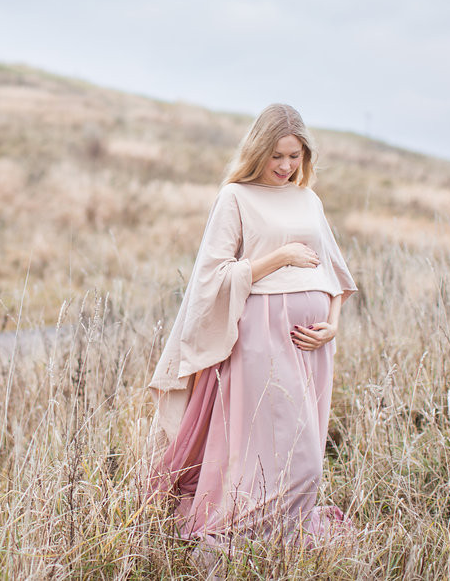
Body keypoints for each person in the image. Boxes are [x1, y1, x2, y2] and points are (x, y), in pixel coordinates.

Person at [147, 103, 356, 547]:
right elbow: (213, 274)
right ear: (258, 151)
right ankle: (241, 533)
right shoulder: (235, 197)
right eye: (276, 156)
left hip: (313, 345)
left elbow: (336, 274)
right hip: (260, 336)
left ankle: (281, 541)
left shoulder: (309, 199)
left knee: (304, 446)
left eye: (294, 156)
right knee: (283, 453)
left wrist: (333, 325)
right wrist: (280, 257)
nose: (285, 166)